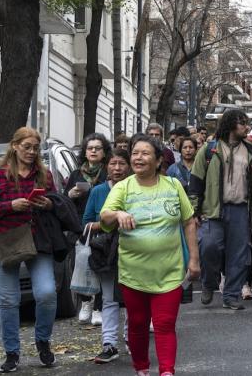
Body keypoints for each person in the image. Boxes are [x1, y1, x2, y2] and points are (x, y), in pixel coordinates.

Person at [100, 136, 199, 376]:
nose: (138, 158)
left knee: (165, 325)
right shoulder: (124, 187)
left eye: (145, 153)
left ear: (157, 161)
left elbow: (188, 222)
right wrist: (118, 215)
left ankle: (167, 371)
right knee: (138, 324)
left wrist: (194, 260)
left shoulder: (173, 186)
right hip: (133, 272)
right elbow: (104, 216)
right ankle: (141, 368)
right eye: (135, 153)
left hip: (169, 271)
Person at [0, 127, 59, 372]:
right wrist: (10, 205)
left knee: (46, 293)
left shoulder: (44, 175)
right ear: (15, 146)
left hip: (37, 239)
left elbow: (57, 204)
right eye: (27, 147)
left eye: (35, 148)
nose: (32, 152)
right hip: (7, 238)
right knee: (8, 299)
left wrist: (48, 203)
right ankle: (11, 353)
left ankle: (42, 341)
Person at [188, 109, 252, 310]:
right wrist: (195, 211)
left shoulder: (251, 152)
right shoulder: (209, 150)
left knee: (239, 254)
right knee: (209, 247)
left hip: (241, 210)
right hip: (212, 211)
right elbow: (196, 181)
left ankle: (231, 295)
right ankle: (208, 283)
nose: (247, 127)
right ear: (231, 124)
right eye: (243, 123)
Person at [82, 149, 131, 364]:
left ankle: (131, 339)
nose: (117, 168)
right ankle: (109, 344)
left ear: (128, 166)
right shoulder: (98, 191)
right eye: (113, 164)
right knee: (109, 298)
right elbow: (86, 223)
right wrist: (106, 222)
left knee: (132, 298)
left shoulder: (134, 189)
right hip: (105, 250)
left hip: (131, 248)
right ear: (107, 167)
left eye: (122, 164)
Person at [65, 132, 111, 325]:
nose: (93, 151)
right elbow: (65, 200)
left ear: (104, 152)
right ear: (84, 151)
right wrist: (71, 194)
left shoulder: (108, 172)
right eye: (90, 148)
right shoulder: (77, 173)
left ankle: (99, 307)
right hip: (81, 226)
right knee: (81, 264)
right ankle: (86, 303)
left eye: (97, 148)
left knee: (99, 264)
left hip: (102, 224)